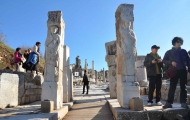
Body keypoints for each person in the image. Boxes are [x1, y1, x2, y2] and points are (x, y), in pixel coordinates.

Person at [163, 37, 190, 109]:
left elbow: (188, 61)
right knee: (172, 87)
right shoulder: (169, 52)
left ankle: (183, 103)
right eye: (177, 42)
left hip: (183, 71)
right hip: (173, 71)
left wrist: (189, 71)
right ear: (174, 42)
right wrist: (171, 62)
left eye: (180, 42)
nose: (179, 43)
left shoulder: (184, 51)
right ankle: (169, 103)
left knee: (183, 87)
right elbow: (164, 60)